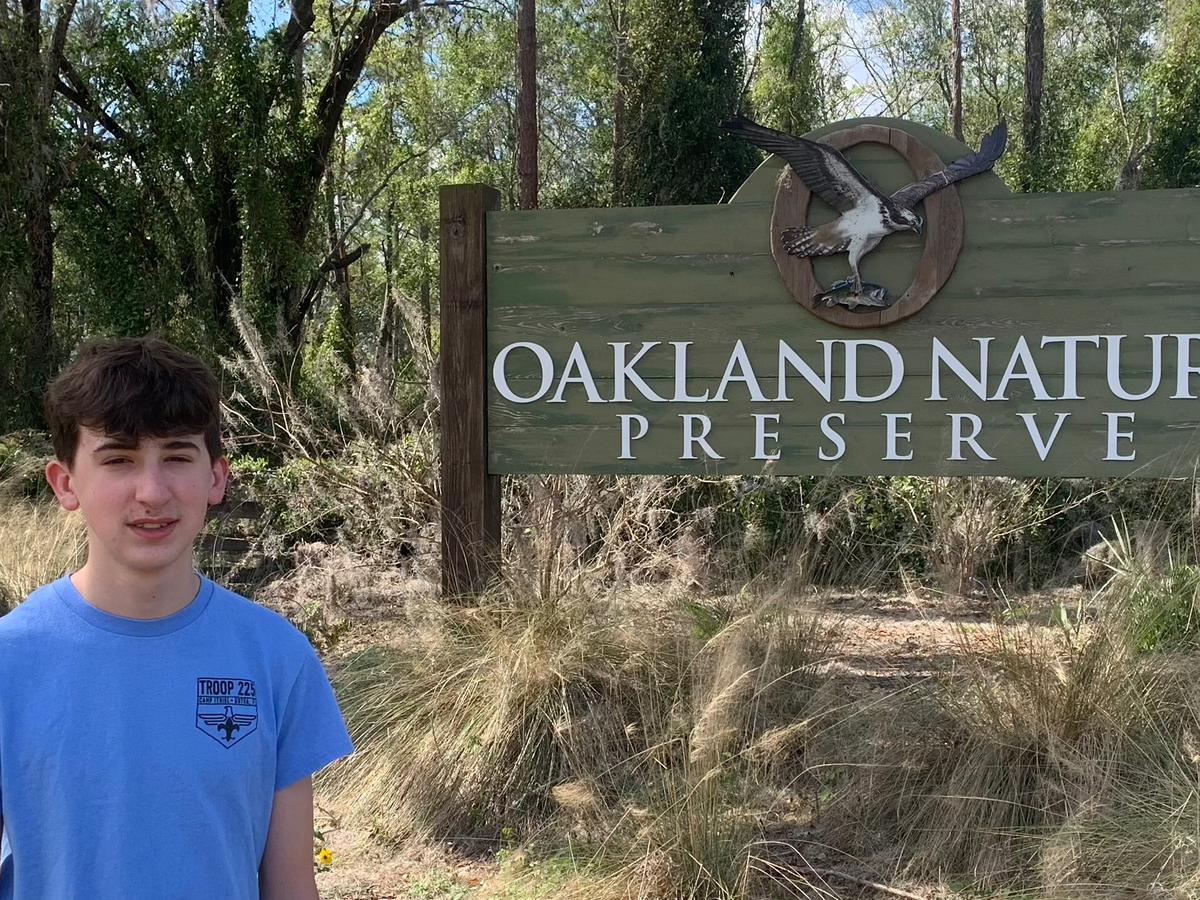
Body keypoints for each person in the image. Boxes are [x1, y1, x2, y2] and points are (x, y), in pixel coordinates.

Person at [0, 337, 353, 900]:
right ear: (65, 483)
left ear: (216, 477)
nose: (152, 491)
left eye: (178, 456)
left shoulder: (275, 658)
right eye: (118, 459)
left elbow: (290, 886)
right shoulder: (11, 661)